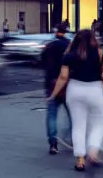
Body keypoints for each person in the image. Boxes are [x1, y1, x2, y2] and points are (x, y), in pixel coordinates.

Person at [49, 28, 103, 171]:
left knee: (78, 126)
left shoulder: (69, 55)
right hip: (95, 90)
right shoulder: (100, 53)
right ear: (93, 39)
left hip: (75, 90)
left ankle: (80, 160)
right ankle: (93, 152)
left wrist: (54, 94)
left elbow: (63, 77)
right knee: (98, 124)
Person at [42, 24, 72, 154]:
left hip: (51, 83)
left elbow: (42, 61)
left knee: (52, 115)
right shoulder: (70, 46)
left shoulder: (49, 45)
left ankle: (53, 143)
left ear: (56, 32)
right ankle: (71, 138)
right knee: (73, 114)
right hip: (68, 85)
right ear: (65, 32)